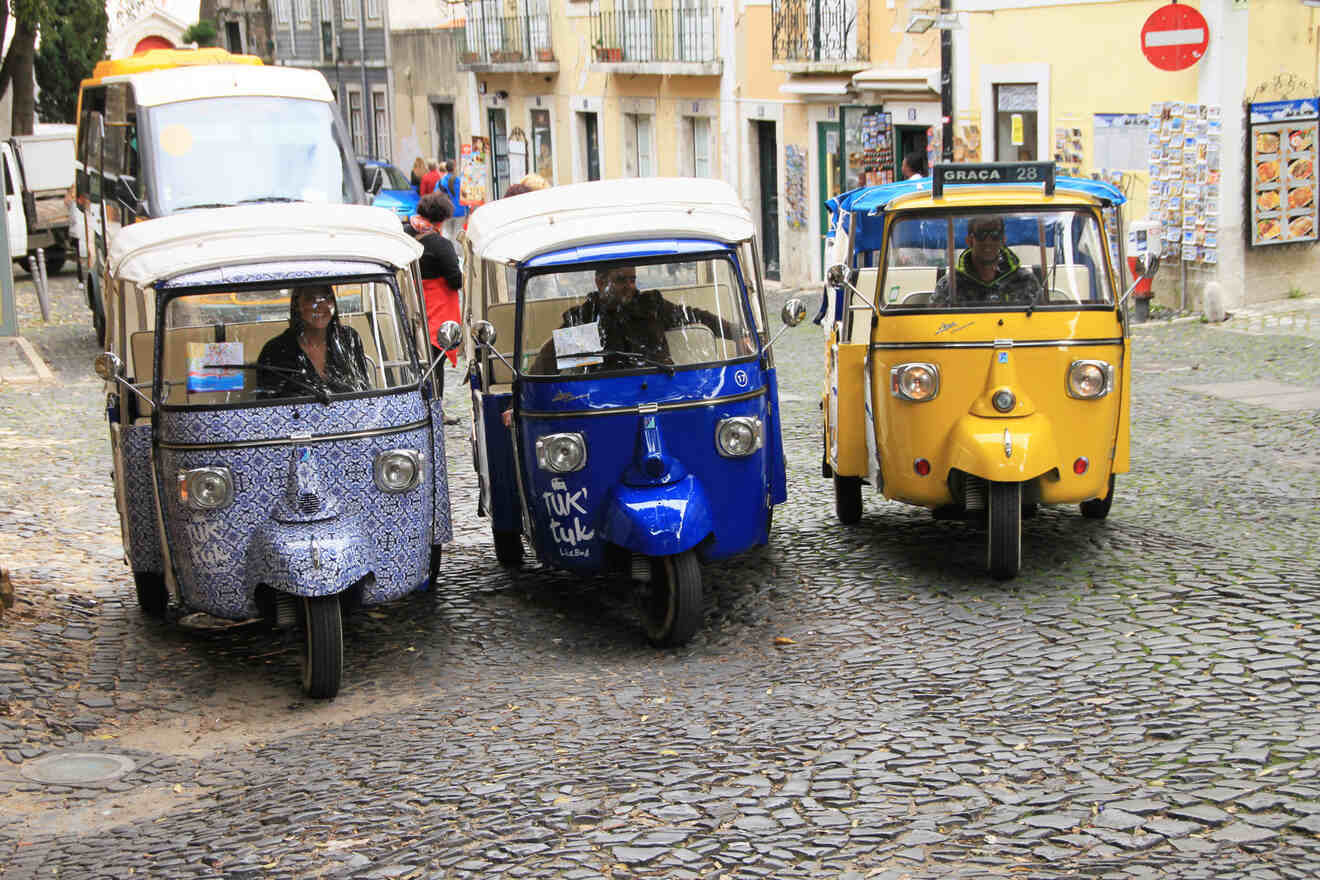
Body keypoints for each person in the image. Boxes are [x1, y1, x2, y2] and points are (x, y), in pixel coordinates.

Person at [530, 264, 750, 374]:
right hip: (607, 397)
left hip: (661, 384)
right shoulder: (588, 316)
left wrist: (738, 334)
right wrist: (517, 402)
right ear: (599, 282)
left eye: (633, 279)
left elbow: (695, 315)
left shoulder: (651, 305)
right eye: (620, 280)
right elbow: (550, 356)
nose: (630, 286)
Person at [257, 285, 370, 398]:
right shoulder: (275, 351)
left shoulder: (349, 339)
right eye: (311, 299)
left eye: (325, 298)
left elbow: (365, 390)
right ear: (297, 305)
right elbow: (266, 405)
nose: (320, 306)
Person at [411, 193, 464, 423]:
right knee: (436, 362)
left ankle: (421, 408)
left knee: (420, 362)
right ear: (442, 219)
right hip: (437, 312)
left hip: (414, 307)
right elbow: (456, 280)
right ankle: (435, 410)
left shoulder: (408, 234)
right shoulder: (440, 244)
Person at [931, 215, 1042, 306]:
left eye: (995, 234)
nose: (988, 241)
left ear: (1003, 240)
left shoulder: (1025, 281)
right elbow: (935, 324)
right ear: (969, 241)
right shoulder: (950, 285)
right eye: (981, 234)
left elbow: (1042, 322)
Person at [439, 160, 467, 239]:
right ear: (454, 168)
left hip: (446, 211)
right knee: (458, 235)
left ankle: (447, 250)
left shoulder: (441, 182)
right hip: (460, 212)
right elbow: (465, 197)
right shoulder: (460, 181)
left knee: (446, 234)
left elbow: (436, 196)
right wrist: (467, 211)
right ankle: (457, 251)